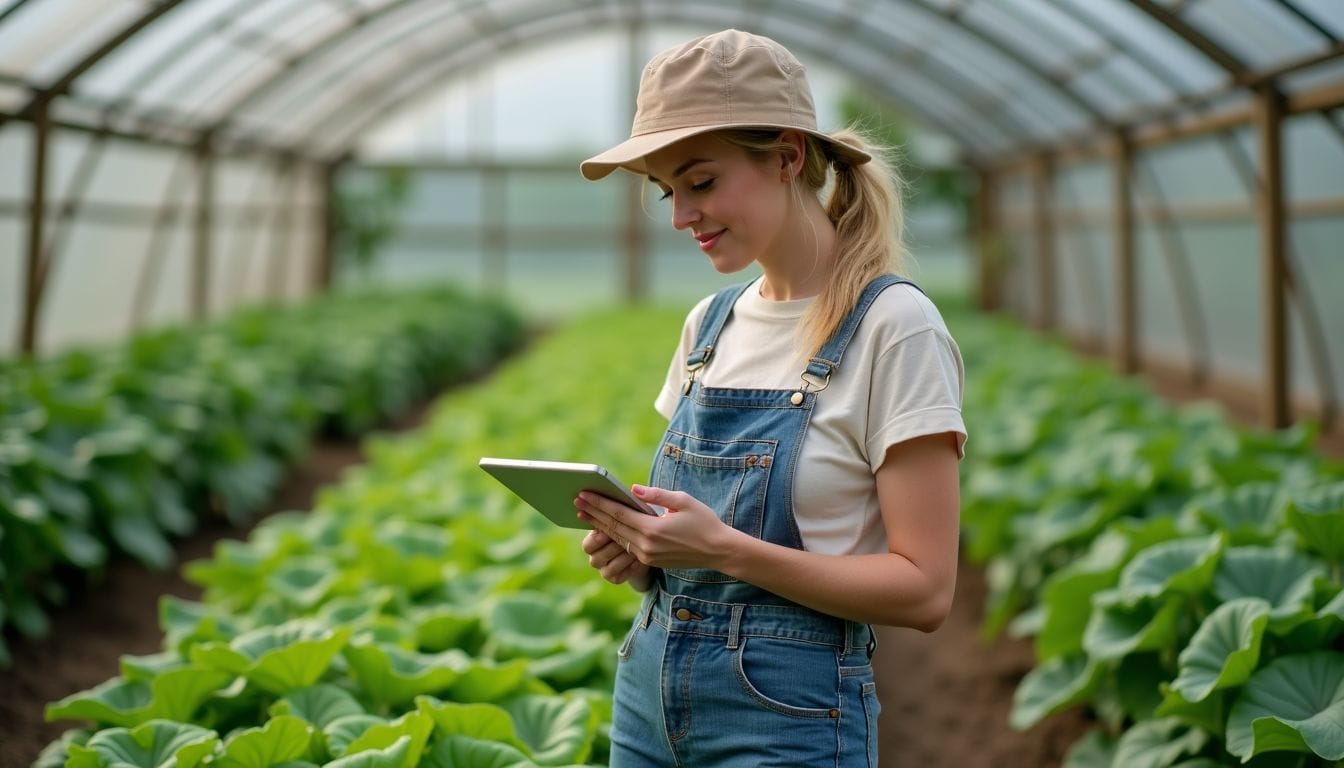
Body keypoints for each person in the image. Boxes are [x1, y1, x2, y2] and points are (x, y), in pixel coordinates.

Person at [573, 28, 966, 767]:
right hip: (646, 700)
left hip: (786, 716)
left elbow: (924, 591)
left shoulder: (895, 327)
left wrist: (724, 550)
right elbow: (700, 549)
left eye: (701, 182)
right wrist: (649, 554)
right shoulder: (708, 325)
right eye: (666, 191)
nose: (680, 216)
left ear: (788, 157)